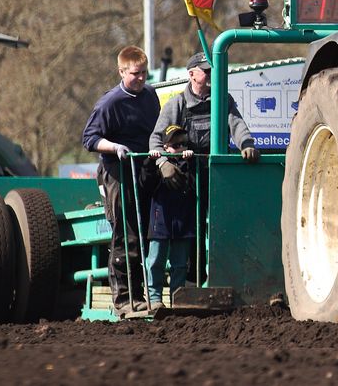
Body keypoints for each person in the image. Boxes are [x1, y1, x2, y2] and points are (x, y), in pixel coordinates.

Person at [149, 51, 259, 282]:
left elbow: (236, 124)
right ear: (191, 74)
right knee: (192, 231)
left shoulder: (222, 100)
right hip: (186, 178)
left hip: (215, 174)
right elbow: (155, 140)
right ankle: (193, 281)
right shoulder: (176, 104)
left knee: (224, 225)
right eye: (205, 71)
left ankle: (229, 279)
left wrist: (246, 144)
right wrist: (163, 164)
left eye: (212, 71)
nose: (210, 75)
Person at [82, 45, 160, 315]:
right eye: (135, 74)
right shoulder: (109, 103)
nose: (141, 78)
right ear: (122, 71)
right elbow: (89, 139)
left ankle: (142, 295)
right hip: (118, 171)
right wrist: (114, 147)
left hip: (145, 167)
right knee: (125, 233)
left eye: (144, 73)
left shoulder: (150, 96)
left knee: (144, 232)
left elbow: (156, 130)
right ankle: (124, 299)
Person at [145, 124, 197, 309]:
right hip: (161, 222)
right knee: (156, 261)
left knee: (180, 264)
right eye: (176, 145)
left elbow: (195, 185)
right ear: (165, 147)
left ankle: (177, 299)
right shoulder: (158, 165)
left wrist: (190, 163)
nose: (181, 148)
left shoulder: (191, 164)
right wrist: (153, 163)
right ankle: (154, 299)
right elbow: (145, 184)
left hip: (183, 222)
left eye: (183, 144)